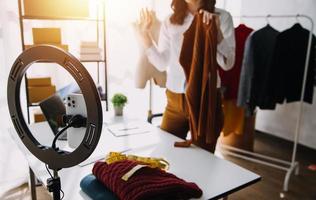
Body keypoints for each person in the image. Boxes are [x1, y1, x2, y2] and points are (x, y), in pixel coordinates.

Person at [137, 0, 235, 140]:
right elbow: (161, 63)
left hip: (206, 101)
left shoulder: (222, 17)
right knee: (167, 152)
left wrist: (215, 32)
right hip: (175, 101)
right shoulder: (170, 21)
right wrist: (145, 36)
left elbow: (228, 63)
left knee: (203, 158)